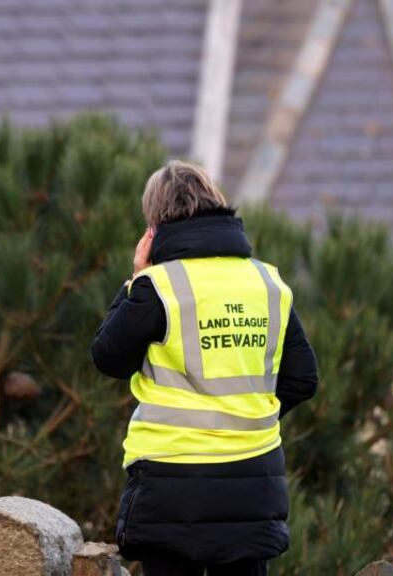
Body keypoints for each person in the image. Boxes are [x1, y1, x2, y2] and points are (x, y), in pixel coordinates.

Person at [91, 160, 319, 576]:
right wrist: (245, 418)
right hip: (253, 482)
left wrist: (135, 279)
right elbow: (302, 379)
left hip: (170, 482)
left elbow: (109, 358)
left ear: (153, 227)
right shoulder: (267, 283)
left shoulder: (160, 286)